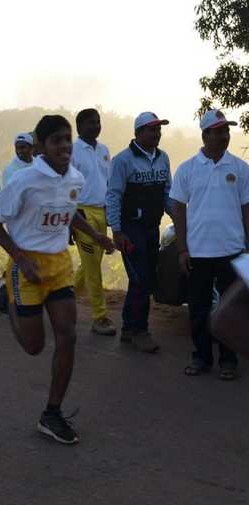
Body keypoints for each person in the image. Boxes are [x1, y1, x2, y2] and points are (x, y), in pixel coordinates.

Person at [0, 115, 114, 445]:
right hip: (26, 266)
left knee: (68, 336)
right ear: (41, 146)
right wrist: (19, 258)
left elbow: (71, 211)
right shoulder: (25, 180)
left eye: (67, 139)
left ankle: (52, 413)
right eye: (56, 140)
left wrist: (97, 236)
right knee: (34, 347)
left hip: (58, 264)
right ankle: (7, 300)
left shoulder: (74, 177)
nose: (65, 146)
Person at [170, 109, 249, 380]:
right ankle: (201, 357)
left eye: (227, 131)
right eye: (219, 131)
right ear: (205, 135)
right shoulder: (187, 169)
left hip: (232, 250)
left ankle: (229, 360)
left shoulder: (240, 168)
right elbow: (178, 210)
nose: (225, 136)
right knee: (199, 308)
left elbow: (247, 209)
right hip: (199, 252)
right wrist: (182, 249)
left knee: (232, 310)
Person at [106, 112, 172, 353]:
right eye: (151, 129)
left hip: (152, 227)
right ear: (138, 133)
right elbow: (113, 196)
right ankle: (140, 330)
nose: (157, 134)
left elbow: (168, 194)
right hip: (130, 229)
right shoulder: (122, 160)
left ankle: (128, 328)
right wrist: (117, 231)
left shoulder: (163, 158)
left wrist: (181, 221)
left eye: (159, 129)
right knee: (140, 278)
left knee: (145, 278)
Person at [71, 109, 116, 336]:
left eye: (98, 122)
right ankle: (99, 317)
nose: (96, 126)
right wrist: (71, 221)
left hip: (102, 211)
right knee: (92, 268)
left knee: (90, 264)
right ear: (79, 126)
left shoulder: (104, 150)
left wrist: (110, 215)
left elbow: (108, 183)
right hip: (82, 213)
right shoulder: (72, 151)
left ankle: (63, 299)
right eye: (91, 123)